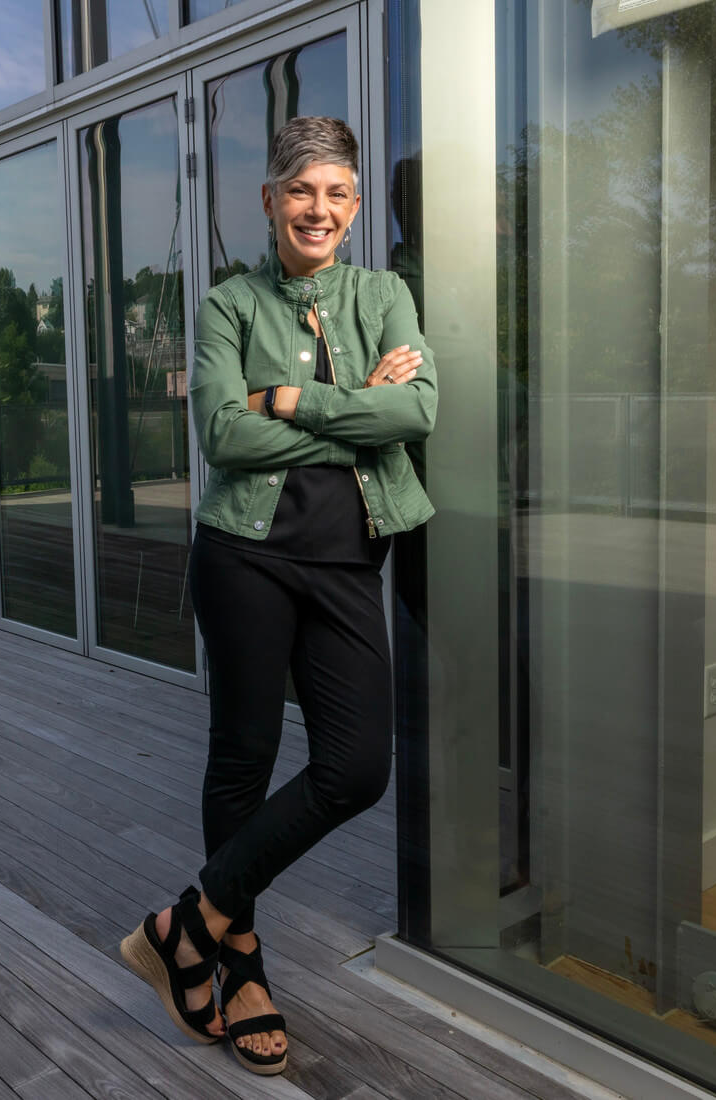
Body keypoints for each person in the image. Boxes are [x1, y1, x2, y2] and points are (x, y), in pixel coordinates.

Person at [121, 116, 437, 1077]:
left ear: (354, 207)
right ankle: (242, 966)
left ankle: (183, 926)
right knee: (243, 758)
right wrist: (354, 419)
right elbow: (224, 438)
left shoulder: (385, 295)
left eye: (339, 192)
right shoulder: (228, 306)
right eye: (303, 190)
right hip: (243, 556)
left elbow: (418, 410)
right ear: (270, 200)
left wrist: (288, 401)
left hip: (347, 563)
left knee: (355, 767)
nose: (321, 209)